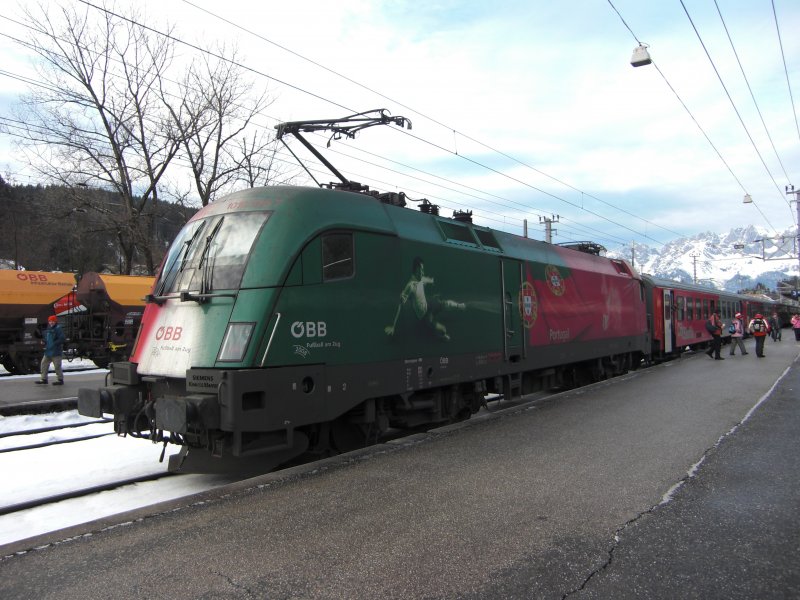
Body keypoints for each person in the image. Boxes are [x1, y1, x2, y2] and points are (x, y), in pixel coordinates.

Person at [385, 257, 465, 341]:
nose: (422, 273)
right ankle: (440, 334)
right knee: (443, 330)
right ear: (415, 271)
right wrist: (393, 325)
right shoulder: (410, 286)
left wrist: (432, 281)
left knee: (445, 303)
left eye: (422, 270)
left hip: (428, 304)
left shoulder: (421, 278)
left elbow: (429, 280)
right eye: (420, 271)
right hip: (424, 315)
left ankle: (459, 305)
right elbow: (400, 305)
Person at [36, 315, 66, 385]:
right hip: (48, 351)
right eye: (50, 321)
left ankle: (60, 380)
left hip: (56, 352)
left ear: (55, 321)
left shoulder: (58, 328)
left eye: (53, 321)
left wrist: (54, 343)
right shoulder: (49, 328)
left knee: (57, 366)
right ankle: (43, 379)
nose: (51, 322)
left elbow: (62, 338)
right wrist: (44, 341)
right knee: (44, 364)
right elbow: (47, 338)